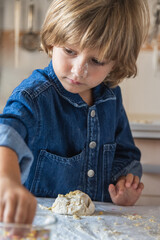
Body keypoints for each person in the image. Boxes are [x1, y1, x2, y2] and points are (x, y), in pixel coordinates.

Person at [0, 0, 149, 224]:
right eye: (70, 51)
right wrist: (7, 181)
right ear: (52, 42)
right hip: (41, 225)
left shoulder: (111, 98)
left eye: (96, 60)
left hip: (100, 226)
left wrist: (124, 183)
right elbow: (7, 134)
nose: (79, 71)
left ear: (115, 65)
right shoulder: (34, 96)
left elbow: (124, 156)